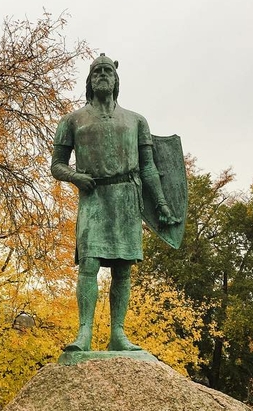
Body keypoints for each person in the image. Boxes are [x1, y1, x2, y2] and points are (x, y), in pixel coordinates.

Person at [51, 54, 176, 352]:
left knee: (123, 269)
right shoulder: (72, 120)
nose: (103, 75)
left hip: (126, 198)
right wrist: (74, 176)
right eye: (97, 71)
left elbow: (148, 167)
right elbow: (56, 165)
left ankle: (117, 333)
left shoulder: (136, 120)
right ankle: (84, 333)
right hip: (94, 197)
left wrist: (161, 203)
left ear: (116, 80)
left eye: (108, 71)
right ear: (90, 80)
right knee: (90, 263)